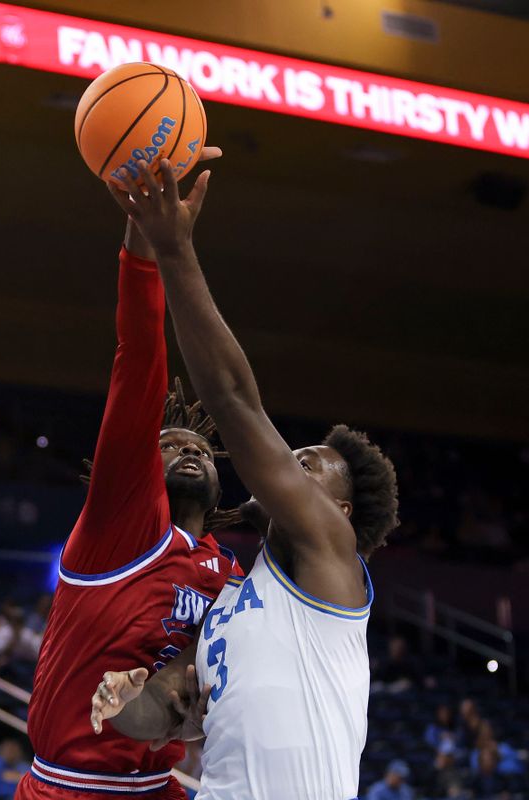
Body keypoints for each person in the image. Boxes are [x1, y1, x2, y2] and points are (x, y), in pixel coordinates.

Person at [91, 159, 399, 800]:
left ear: (337, 512)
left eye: (306, 465)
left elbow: (232, 399)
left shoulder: (330, 561)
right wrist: (118, 698)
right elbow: (164, 709)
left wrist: (174, 250)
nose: (288, 462)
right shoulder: (228, 599)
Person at [16, 147, 243, 800]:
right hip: (72, 786)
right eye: (168, 445)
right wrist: (146, 240)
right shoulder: (122, 527)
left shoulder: (226, 570)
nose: (189, 451)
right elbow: (139, 356)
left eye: (199, 448)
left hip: (158, 787)